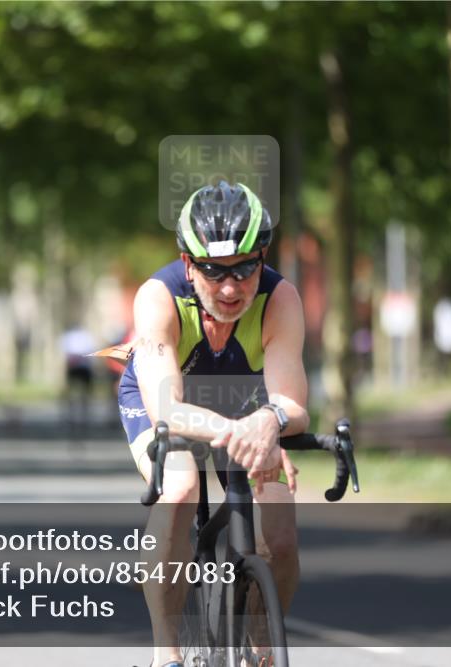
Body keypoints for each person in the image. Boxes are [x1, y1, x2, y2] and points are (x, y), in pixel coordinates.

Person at [118, 181, 308, 667]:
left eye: (245, 268)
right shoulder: (158, 298)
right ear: (187, 265)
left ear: (262, 257)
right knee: (180, 487)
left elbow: (292, 403)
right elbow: (167, 409)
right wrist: (243, 433)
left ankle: (262, 650)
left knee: (280, 539)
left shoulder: (280, 299)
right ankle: (168, 653)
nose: (229, 287)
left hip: (246, 403)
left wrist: (270, 421)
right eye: (212, 270)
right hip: (169, 401)